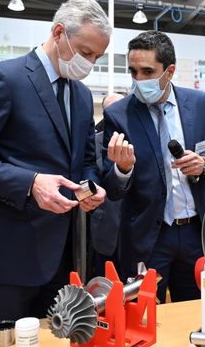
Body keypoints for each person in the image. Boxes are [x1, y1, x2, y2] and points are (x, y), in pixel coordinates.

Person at [0, 0, 109, 324]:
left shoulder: (81, 94)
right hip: (9, 254)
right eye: (85, 52)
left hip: (65, 255)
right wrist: (30, 183)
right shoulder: (4, 79)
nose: (89, 63)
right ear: (59, 32)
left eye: (97, 57)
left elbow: (86, 159)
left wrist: (92, 186)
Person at [102, 30, 205, 303]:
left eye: (148, 71)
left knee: (196, 310)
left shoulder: (198, 102)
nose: (139, 80)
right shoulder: (118, 114)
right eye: (133, 72)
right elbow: (111, 188)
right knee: (144, 314)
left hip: (196, 233)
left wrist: (204, 164)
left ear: (169, 71)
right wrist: (122, 169)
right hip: (149, 237)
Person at [91, 93, 124, 277]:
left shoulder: (143, 139)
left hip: (140, 231)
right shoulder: (94, 142)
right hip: (106, 230)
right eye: (110, 111)